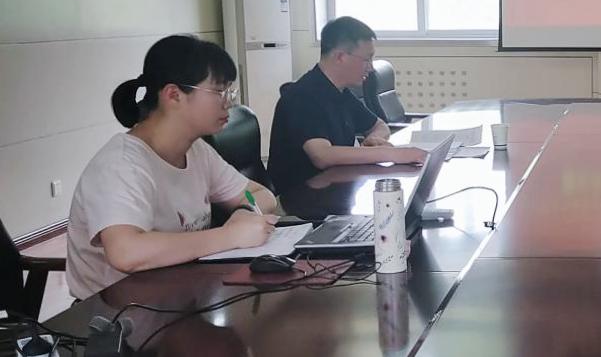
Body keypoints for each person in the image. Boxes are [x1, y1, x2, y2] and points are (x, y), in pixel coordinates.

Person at [67, 35, 279, 299]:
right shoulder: (121, 165)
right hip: (116, 311)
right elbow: (126, 252)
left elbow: (259, 194)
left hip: (180, 295)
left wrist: (245, 211)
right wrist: (230, 236)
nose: (229, 103)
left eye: (229, 92)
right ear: (173, 95)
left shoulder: (197, 151)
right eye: (219, 92)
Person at [268, 17, 425, 194]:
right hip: (302, 200)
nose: (371, 68)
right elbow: (322, 156)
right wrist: (393, 154)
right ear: (340, 57)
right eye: (367, 59)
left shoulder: (341, 92)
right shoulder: (301, 96)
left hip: (336, 190)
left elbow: (379, 125)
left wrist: (374, 139)